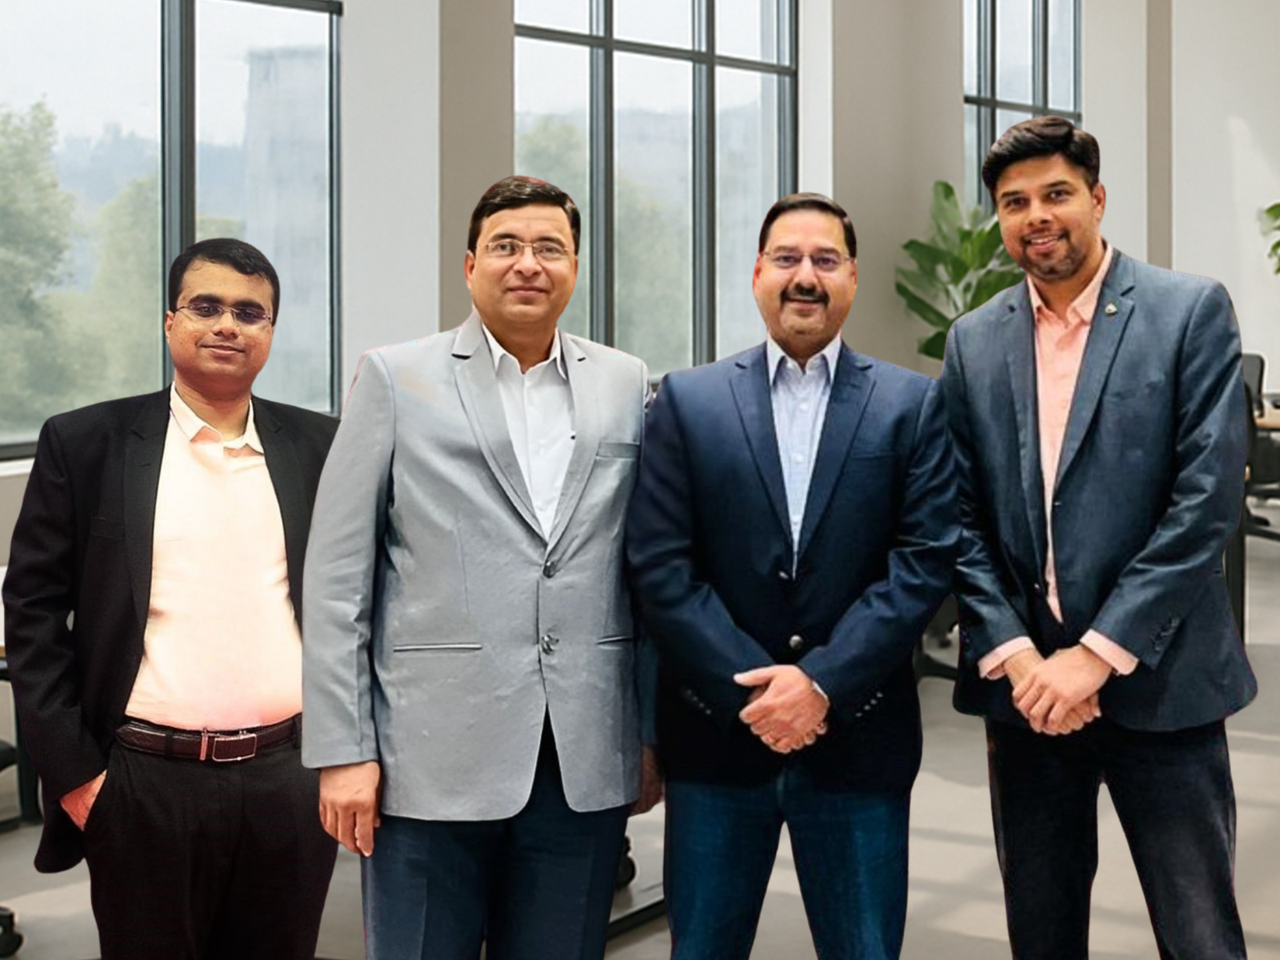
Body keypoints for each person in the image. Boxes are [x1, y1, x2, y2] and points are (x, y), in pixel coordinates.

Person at [301, 176, 658, 960]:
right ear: (470, 266)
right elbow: (336, 582)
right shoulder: (396, 377)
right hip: (427, 757)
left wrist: (647, 734)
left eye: (549, 248)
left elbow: (644, 573)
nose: (528, 263)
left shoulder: (626, 382)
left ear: (574, 267)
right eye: (506, 246)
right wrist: (343, 750)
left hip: (582, 756)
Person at [941, 116, 1255, 960]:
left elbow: (1205, 502)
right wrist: (1018, 656)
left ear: (1098, 199)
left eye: (1056, 194)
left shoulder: (1187, 311)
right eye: (1015, 203)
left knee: (1198, 933)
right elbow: (956, 515)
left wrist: (1096, 653)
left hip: (1162, 681)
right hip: (1030, 698)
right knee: (1041, 930)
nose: (1036, 216)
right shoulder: (974, 341)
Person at [626, 192, 958, 960]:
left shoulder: (911, 405)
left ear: (852, 278)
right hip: (718, 741)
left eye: (825, 260)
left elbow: (922, 563)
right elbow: (660, 565)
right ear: (756, 274)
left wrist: (821, 685)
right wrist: (756, 692)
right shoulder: (687, 401)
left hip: (859, 742)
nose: (805, 276)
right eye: (787, 258)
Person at [2, 238, 339, 960]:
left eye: (249, 312)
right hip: (141, 783)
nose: (227, 326)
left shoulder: (321, 446)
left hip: (289, 780)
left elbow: (356, 604)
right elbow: (32, 613)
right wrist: (78, 778)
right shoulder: (86, 443)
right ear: (169, 322)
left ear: (271, 331)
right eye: (206, 307)